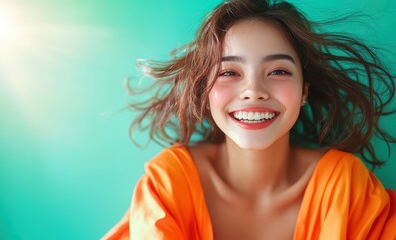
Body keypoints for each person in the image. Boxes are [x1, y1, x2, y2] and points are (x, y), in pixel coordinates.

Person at [103, 0, 396, 239]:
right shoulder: (168, 185)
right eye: (229, 72)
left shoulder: (345, 186)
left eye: (278, 71)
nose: (253, 92)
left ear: (304, 90)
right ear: (205, 90)